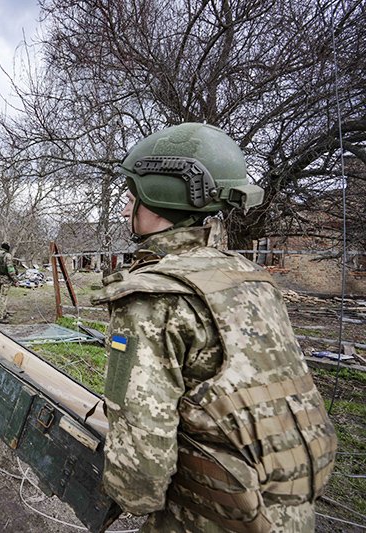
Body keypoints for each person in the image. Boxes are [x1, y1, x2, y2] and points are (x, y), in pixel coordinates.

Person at [91, 123, 337, 532]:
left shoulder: (154, 297)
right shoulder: (252, 277)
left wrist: (129, 497)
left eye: (131, 194)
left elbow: (142, 437)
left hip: (213, 516)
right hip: (290, 504)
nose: (124, 207)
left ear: (158, 196)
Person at [0, 242, 18, 323]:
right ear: (8, 248)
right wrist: (15, 280)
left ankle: (3, 312)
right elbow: (10, 270)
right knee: (3, 297)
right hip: (6, 279)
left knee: (1, 296)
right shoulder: (7, 256)